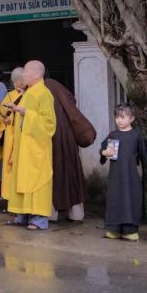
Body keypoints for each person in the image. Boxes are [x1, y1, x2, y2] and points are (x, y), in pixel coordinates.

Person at [5, 60, 56, 231]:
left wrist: (26, 112)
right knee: (23, 179)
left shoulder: (44, 93)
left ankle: (39, 218)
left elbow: (49, 123)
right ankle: (23, 214)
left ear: (36, 74)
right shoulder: (29, 92)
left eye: (26, 72)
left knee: (37, 181)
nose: (23, 75)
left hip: (36, 147)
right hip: (24, 146)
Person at [45, 78, 95, 222]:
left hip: (51, 139)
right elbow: (71, 101)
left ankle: (51, 213)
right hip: (68, 138)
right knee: (72, 175)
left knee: (53, 176)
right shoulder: (57, 87)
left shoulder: (41, 89)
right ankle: (76, 213)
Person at [100, 103, 147, 241]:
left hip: (131, 175)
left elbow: (145, 155)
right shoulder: (113, 135)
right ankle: (114, 229)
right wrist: (105, 152)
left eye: (123, 117)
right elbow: (102, 150)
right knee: (115, 199)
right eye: (117, 117)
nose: (119, 120)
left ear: (131, 119)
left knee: (130, 199)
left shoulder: (136, 135)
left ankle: (130, 230)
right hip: (115, 176)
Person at [0, 67, 26, 200]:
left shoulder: (30, 94)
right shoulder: (11, 95)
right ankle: (10, 198)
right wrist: (5, 118)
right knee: (10, 166)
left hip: (23, 136)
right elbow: (0, 111)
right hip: (11, 135)